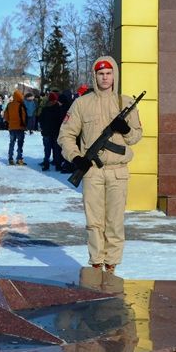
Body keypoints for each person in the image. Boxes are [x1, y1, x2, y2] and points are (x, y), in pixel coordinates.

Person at [58, 56, 142, 273]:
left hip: (118, 172)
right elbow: (66, 135)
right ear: (95, 76)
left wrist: (126, 130)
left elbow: (136, 138)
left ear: (115, 75)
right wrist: (76, 157)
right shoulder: (82, 103)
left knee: (114, 222)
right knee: (94, 222)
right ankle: (96, 265)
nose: (105, 78)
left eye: (108, 73)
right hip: (93, 172)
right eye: (100, 74)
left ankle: (111, 267)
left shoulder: (126, 103)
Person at [38, 91, 65, 171]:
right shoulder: (59, 109)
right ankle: (57, 165)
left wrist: (43, 128)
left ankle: (46, 164)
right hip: (56, 132)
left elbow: (40, 120)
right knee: (56, 150)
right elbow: (61, 121)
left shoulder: (45, 109)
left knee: (47, 150)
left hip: (46, 132)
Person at [3, 90, 27, 165]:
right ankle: (19, 159)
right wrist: (25, 125)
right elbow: (24, 117)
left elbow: (6, 116)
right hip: (20, 127)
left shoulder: (9, 105)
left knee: (12, 142)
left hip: (11, 127)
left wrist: (10, 122)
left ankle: (10, 158)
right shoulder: (21, 105)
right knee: (20, 143)